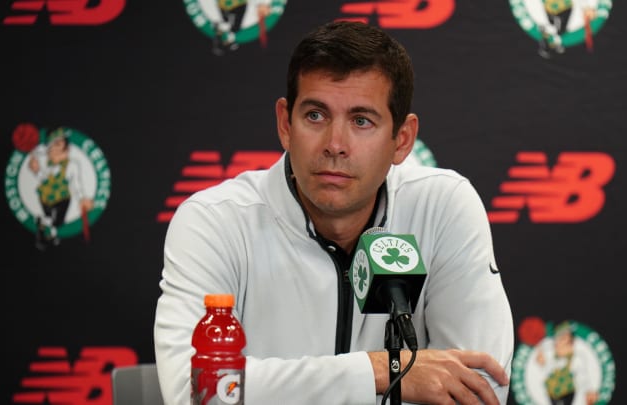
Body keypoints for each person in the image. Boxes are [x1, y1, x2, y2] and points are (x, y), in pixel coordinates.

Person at [154, 20, 514, 405]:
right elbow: (195, 392)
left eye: (361, 121)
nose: (335, 144)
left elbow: (480, 385)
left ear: (402, 140)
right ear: (285, 124)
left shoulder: (442, 207)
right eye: (315, 116)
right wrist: (379, 371)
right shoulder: (214, 222)